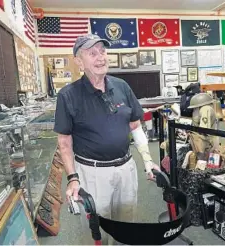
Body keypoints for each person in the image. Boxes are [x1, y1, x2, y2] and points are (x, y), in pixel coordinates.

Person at [53, 34, 160, 245]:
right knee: (96, 230)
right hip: (92, 173)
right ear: (78, 61)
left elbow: (135, 126)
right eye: (92, 53)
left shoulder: (122, 87)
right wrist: (73, 178)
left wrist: (147, 160)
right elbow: (64, 143)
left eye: (102, 51)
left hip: (126, 169)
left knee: (127, 226)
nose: (100, 57)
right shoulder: (68, 96)